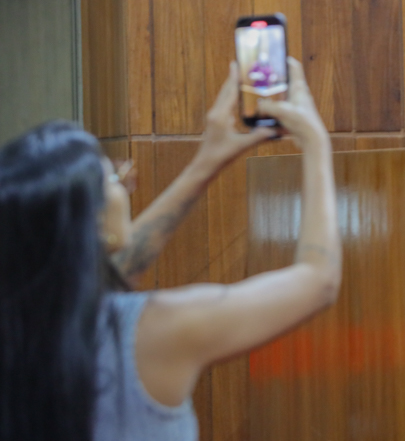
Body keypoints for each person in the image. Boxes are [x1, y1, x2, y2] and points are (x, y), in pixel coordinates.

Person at [0, 58, 341, 441]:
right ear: (92, 224)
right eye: (113, 176)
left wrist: (207, 161)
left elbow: (112, 270)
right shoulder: (153, 333)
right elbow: (318, 280)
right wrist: (315, 140)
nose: (125, 184)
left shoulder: (22, 330)